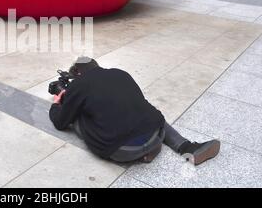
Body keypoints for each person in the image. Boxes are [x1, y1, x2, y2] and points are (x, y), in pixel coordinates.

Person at [49, 57, 221, 166]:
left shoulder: (79, 84)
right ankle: (186, 147)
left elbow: (60, 122)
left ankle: (141, 154)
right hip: (156, 135)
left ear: (78, 73)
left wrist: (58, 103)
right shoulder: (120, 73)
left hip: (121, 150)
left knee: (78, 116)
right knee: (142, 109)